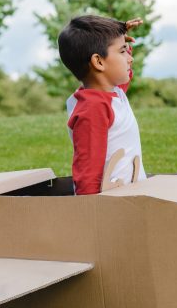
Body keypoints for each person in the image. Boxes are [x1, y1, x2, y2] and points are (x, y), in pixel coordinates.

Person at [58, 15, 146, 194]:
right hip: (109, 210)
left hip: (129, 201)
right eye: (122, 51)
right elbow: (87, 175)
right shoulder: (93, 109)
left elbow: (125, 75)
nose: (130, 58)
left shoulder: (112, 93)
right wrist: (93, 217)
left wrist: (120, 39)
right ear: (98, 62)